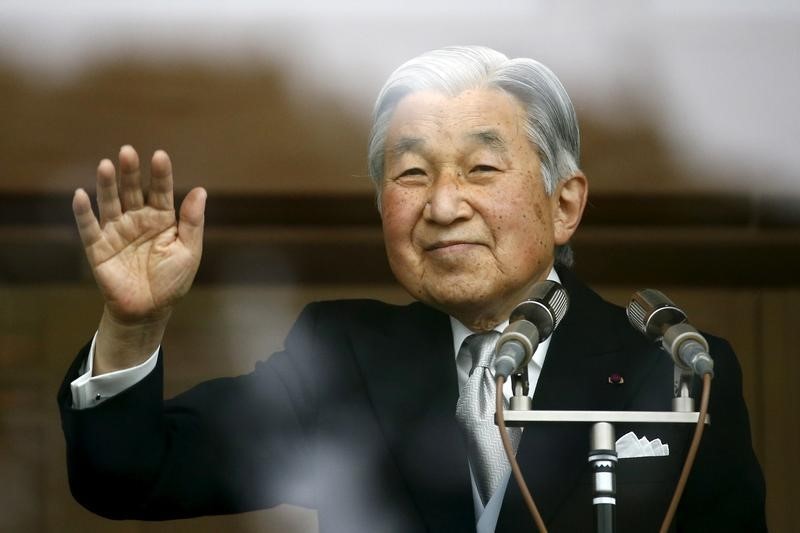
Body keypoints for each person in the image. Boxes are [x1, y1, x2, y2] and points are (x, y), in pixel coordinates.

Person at [58, 46, 766, 532]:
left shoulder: (675, 371)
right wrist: (134, 324)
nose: (444, 204)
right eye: (412, 173)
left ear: (565, 203)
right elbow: (133, 472)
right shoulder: (344, 356)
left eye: (482, 169)